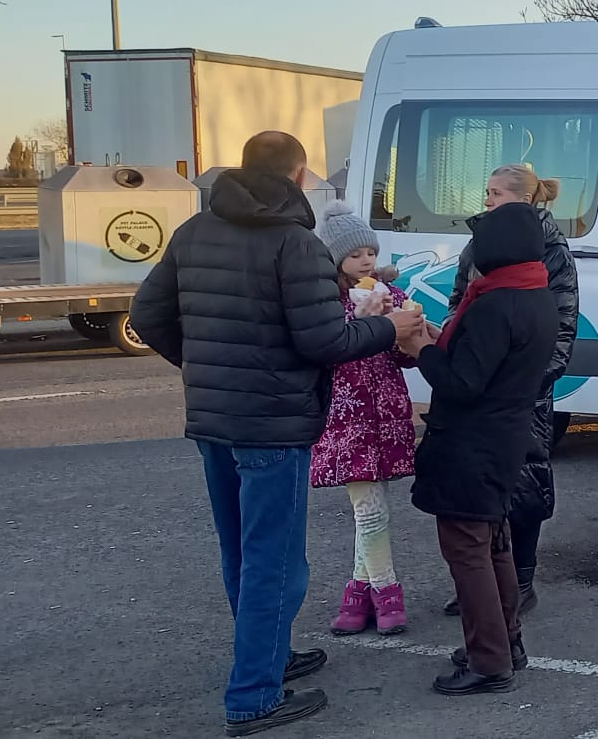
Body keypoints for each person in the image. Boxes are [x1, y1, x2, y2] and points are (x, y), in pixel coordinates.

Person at [131, 131, 422, 736]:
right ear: (298, 175)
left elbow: (146, 317)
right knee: (276, 560)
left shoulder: (193, 232)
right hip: (273, 424)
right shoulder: (296, 244)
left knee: (241, 549)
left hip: (216, 420)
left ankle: (268, 658)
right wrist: (389, 327)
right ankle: (253, 694)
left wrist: (210, 368)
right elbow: (326, 342)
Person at [401, 202, 558, 696]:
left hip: (473, 440)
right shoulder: (534, 293)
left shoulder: (495, 302)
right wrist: (438, 340)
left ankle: (489, 660)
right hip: (506, 436)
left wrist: (419, 349)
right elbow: (480, 362)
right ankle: (504, 642)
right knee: (494, 545)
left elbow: (463, 382)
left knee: (468, 550)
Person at [442, 163, 577, 619]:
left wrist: (534, 379)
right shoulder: (479, 242)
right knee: (480, 487)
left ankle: (521, 579)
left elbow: (562, 323)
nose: (487, 200)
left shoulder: (550, 247)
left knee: (525, 485)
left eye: (496, 192)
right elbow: (459, 301)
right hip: (480, 385)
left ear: (523, 198)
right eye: (487, 191)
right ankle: (483, 580)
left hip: (524, 389)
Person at [309, 201, 419, 638]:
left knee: (372, 507)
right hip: (346, 413)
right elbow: (326, 349)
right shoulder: (323, 302)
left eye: (370, 252)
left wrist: (404, 327)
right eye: (355, 256)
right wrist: (360, 324)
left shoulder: (390, 294)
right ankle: (388, 592)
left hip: (386, 410)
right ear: (336, 260)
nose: (366, 261)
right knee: (368, 510)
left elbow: (403, 357)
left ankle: (357, 593)